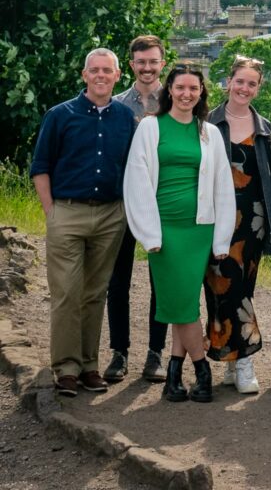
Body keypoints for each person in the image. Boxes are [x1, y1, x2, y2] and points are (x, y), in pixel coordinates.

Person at [122, 64, 235, 402]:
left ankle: (173, 376)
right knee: (183, 305)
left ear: (201, 93)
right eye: (180, 87)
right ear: (168, 90)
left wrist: (222, 238)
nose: (187, 94)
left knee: (179, 303)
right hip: (165, 231)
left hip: (200, 229)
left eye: (194, 88)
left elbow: (223, 187)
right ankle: (203, 372)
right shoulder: (150, 128)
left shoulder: (209, 133)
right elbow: (136, 181)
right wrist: (149, 234)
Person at [31, 48, 136, 397]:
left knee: (95, 293)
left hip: (110, 215)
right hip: (67, 212)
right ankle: (66, 368)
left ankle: (89, 365)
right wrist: (52, 212)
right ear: (84, 75)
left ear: (118, 76)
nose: (101, 75)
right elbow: (41, 166)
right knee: (66, 294)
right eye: (95, 70)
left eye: (108, 70)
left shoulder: (125, 118)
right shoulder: (60, 115)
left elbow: (135, 169)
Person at [205, 56, 271, 394]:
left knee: (242, 289)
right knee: (220, 289)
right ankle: (236, 356)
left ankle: (238, 360)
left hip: (253, 220)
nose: (244, 88)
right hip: (215, 218)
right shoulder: (207, 124)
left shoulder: (264, 128)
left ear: (258, 87)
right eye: (240, 81)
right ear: (228, 81)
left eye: (252, 83)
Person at [103, 35, 170, 385]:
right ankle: (119, 352)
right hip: (123, 204)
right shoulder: (115, 106)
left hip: (162, 204)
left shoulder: (174, 104)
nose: (147, 68)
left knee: (160, 280)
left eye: (153, 62)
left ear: (162, 63)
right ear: (131, 65)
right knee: (119, 281)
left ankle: (155, 353)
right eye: (141, 62)